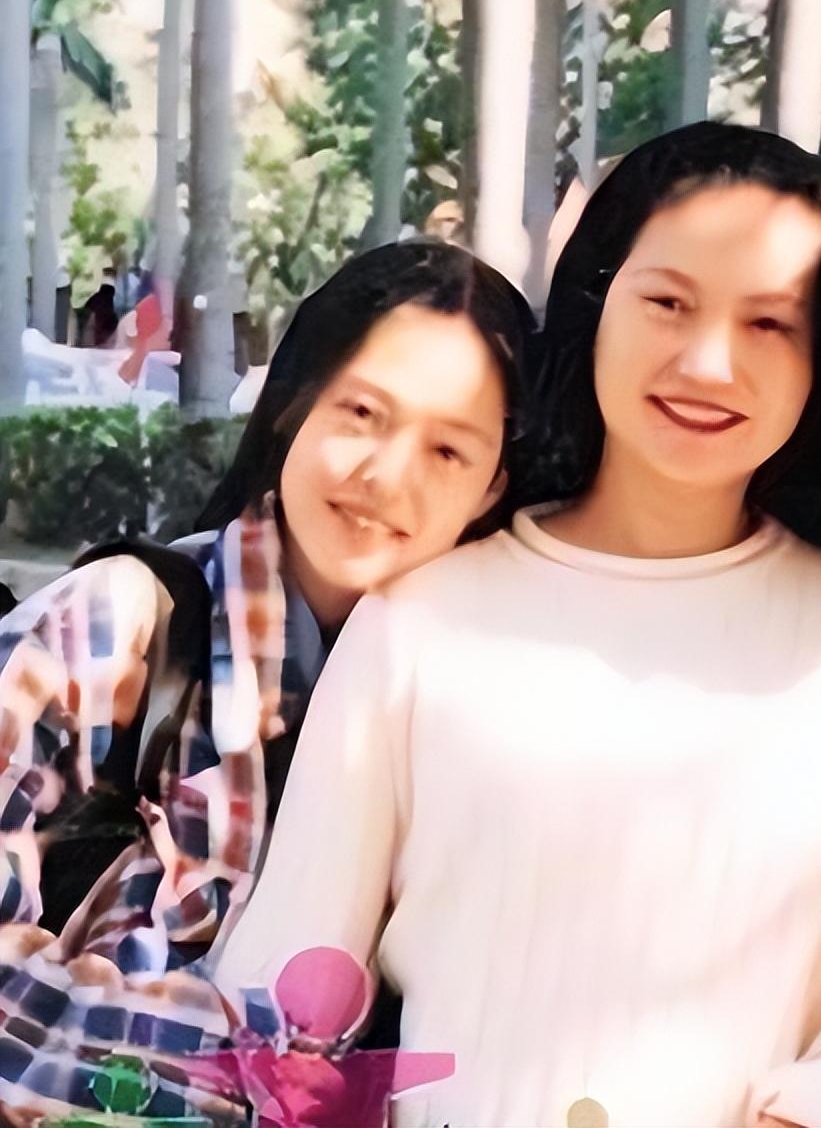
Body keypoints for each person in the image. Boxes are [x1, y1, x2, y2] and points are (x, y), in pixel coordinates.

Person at [216, 122, 821, 1128]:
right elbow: (288, 986)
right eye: (668, 302)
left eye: (769, 323)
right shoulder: (421, 623)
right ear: (598, 302)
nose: (708, 363)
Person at [0, 239, 533, 1119]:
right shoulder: (119, 625)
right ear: (293, 403)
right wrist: (232, 1079)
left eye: (448, 450)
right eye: (362, 412)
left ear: (491, 488)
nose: (386, 476)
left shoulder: (495, 718)